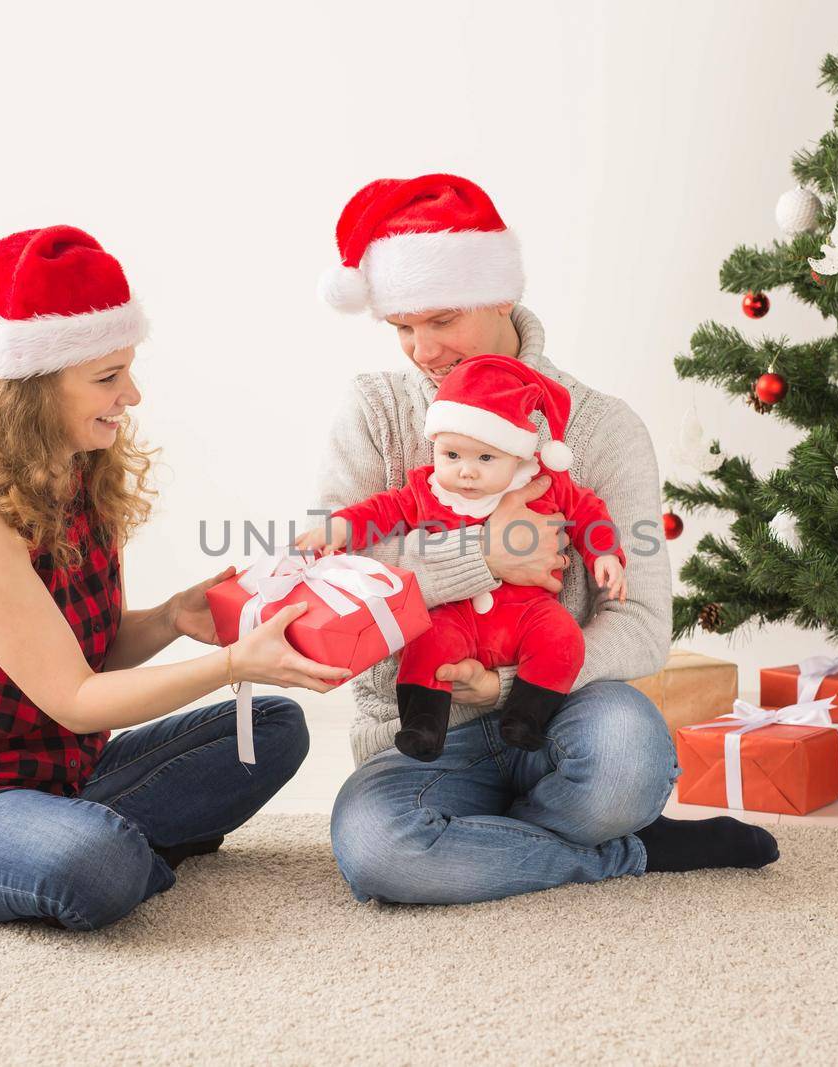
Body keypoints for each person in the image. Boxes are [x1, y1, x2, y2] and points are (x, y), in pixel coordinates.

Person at [315, 175, 780, 904]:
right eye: (402, 328)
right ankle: (618, 852)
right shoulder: (375, 412)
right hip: (427, 734)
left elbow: (643, 626)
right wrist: (481, 558)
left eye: (441, 319)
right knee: (376, 850)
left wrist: (508, 685)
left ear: (501, 294)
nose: (423, 350)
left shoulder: (602, 427)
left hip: (566, 711)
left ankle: (503, 844)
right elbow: (335, 582)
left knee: (626, 762)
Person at [0, 225, 345, 930]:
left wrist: (172, 618)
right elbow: (78, 698)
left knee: (273, 726)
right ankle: (102, 847)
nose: (133, 395)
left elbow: (85, 650)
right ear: (30, 389)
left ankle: (91, 837)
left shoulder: (78, 472)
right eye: (107, 378)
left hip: (64, 778)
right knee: (96, 861)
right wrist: (232, 662)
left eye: (127, 369)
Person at [296, 353, 627, 760]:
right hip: (453, 614)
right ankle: (422, 725)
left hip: (527, 614)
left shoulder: (541, 484)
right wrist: (340, 528)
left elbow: (588, 513)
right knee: (426, 643)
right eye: (452, 456)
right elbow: (380, 512)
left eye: (485, 458)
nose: (466, 472)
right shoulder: (427, 489)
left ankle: (527, 716)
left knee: (562, 639)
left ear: (516, 455)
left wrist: (605, 554)